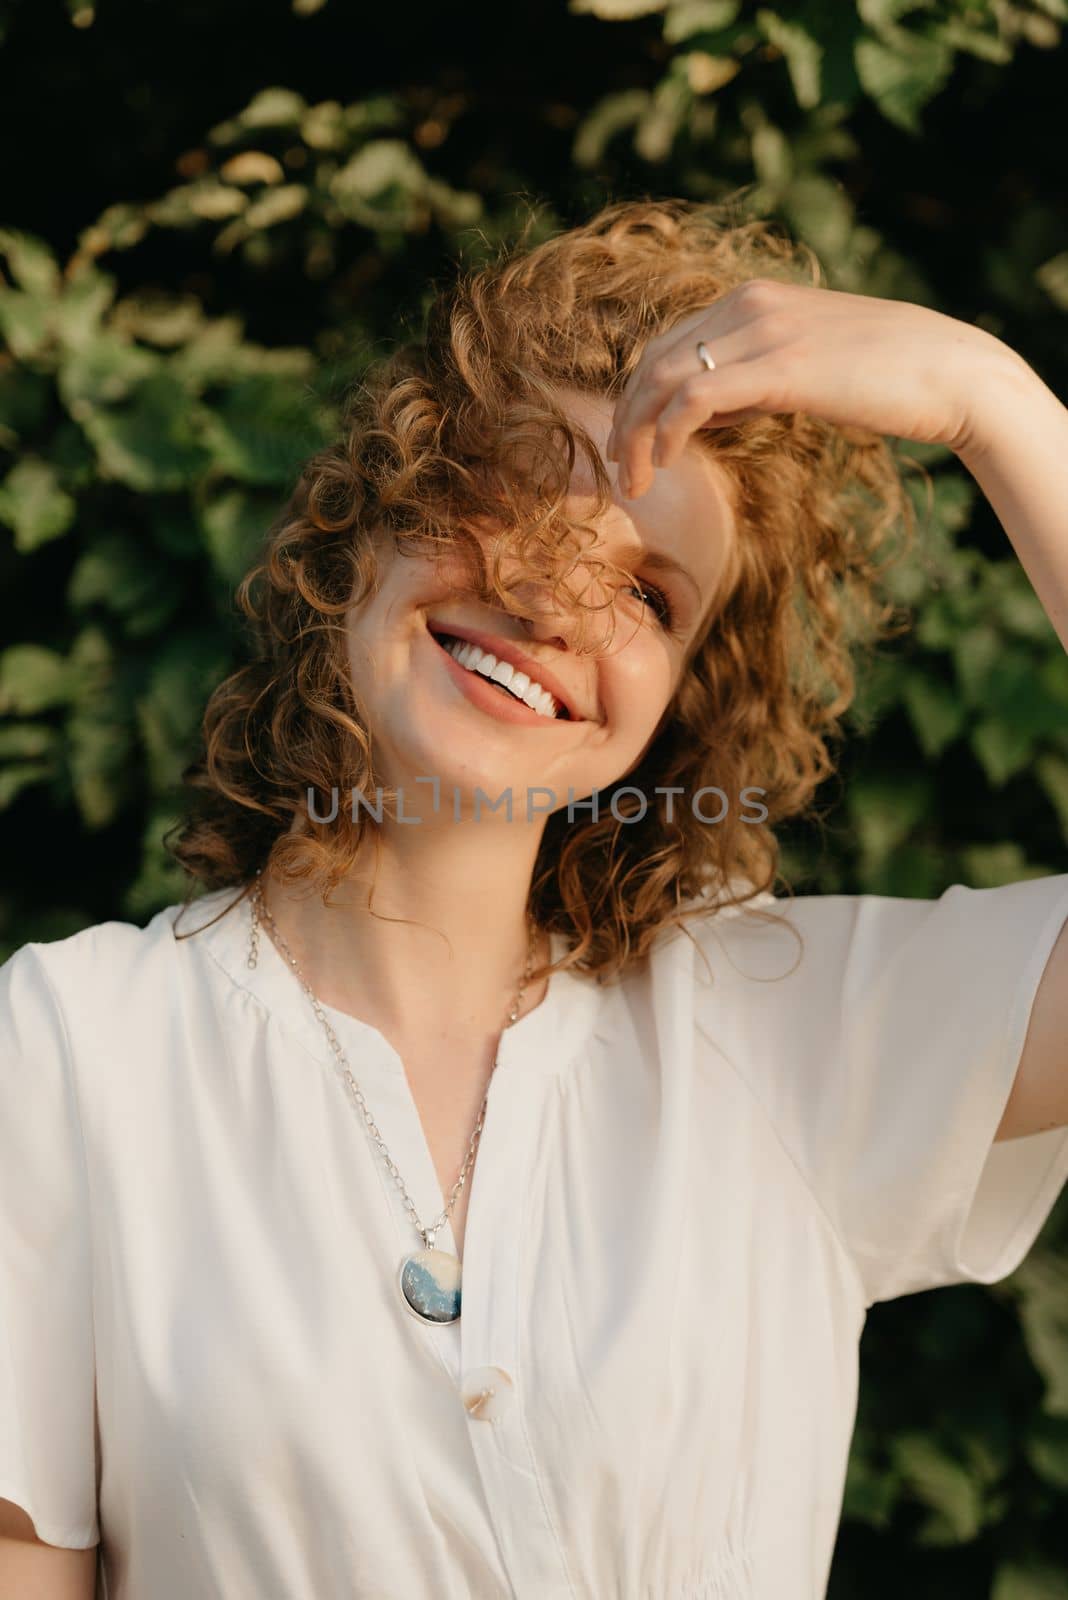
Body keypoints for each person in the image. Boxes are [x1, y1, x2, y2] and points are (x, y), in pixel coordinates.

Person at [2, 197, 1067, 1600]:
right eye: (516, 483)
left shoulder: (788, 1037)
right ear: (373, 518)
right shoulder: (71, 1051)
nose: (556, 594)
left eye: (653, 594)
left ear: (680, 714)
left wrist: (995, 403)